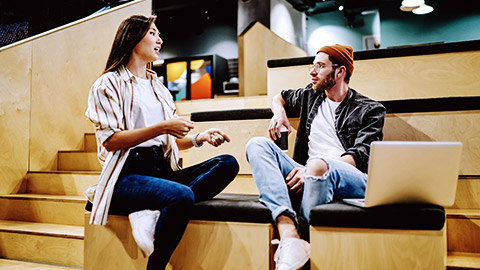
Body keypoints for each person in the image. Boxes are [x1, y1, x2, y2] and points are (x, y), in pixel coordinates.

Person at [84, 14, 239, 269]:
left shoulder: (159, 87)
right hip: (126, 174)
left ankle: (152, 210)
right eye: (153, 33)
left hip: (160, 167)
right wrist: (163, 126)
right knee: (180, 196)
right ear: (132, 38)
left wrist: (199, 138)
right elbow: (111, 141)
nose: (160, 39)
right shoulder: (107, 84)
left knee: (228, 163)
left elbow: (168, 142)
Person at [245, 44, 386, 270]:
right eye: (313, 65)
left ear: (340, 72)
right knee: (257, 145)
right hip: (308, 170)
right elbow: (279, 96)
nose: (312, 72)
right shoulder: (311, 96)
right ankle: (289, 233)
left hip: (350, 177)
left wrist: (312, 167)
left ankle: (305, 243)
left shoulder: (370, 110)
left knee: (318, 165)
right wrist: (279, 113)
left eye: (320, 66)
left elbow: (358, 157)